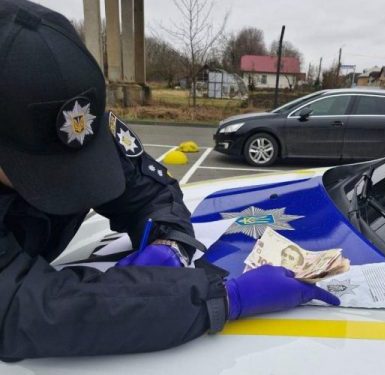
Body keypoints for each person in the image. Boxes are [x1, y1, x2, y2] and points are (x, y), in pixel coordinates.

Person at [0, 0, 339, 361]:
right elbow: (25, 311)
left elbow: (150, 189)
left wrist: (168, 241)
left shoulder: (79, 125)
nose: (66, 177)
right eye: (43, 168)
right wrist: (222, 297)